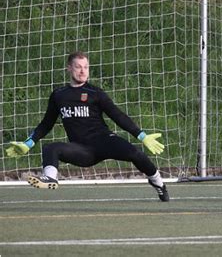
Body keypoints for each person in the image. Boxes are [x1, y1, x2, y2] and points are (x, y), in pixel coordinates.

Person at [5, 51, 170, 202]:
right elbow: (46, 123)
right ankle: (50, 179)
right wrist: (28, 143)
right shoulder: (59, 95)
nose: (83, 71)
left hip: (105, 141)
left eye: (86, 67)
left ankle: (158, 184)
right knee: (50, 148)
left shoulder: (95, 93)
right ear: (69, 68)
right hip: (83, 150)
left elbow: (117, 115)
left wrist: (142, 135)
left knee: (135, 153)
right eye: (78, 67)